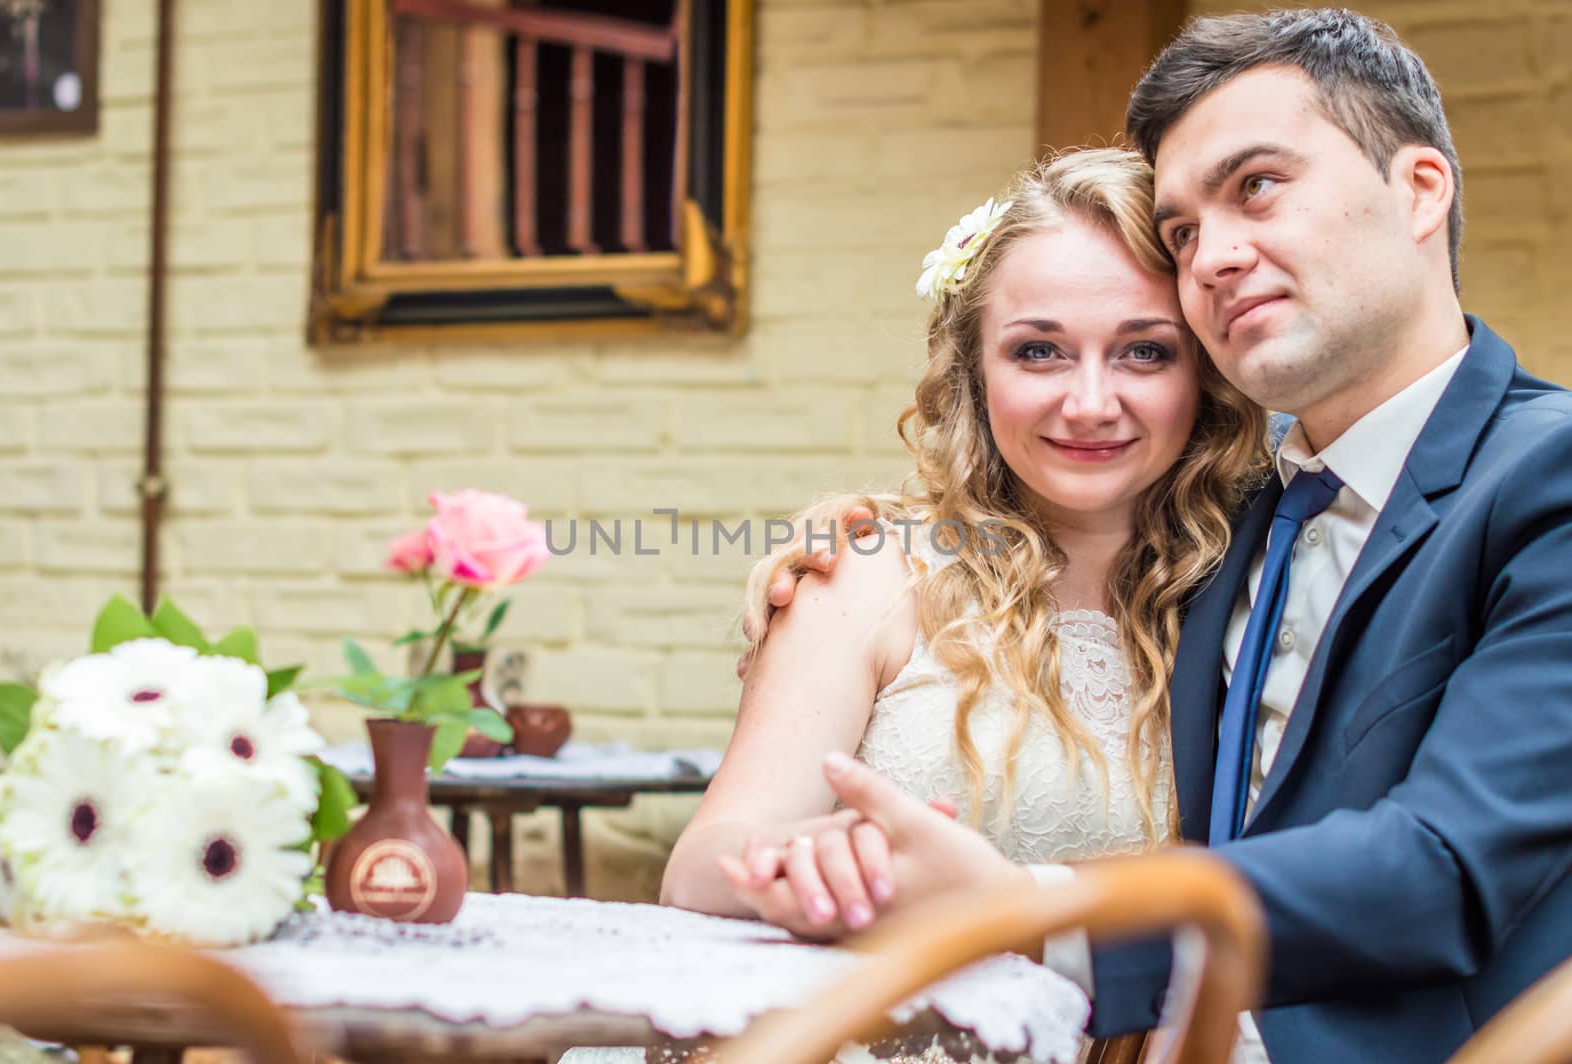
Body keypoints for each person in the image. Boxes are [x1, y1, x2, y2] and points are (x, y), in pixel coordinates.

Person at [728, 9, 1572, 1063]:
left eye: (1257, 184)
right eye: (1181, 231)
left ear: (1418, 190)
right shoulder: (1229, 518)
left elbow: (1446, 867)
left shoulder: (1546, 476)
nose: (1213, 254)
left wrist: (1026, 903)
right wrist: (868, 538)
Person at [660, 147, 1269, 949]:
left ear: (1206, 373)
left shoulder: (1259, 581)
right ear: (975, 374)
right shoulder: (871, 572)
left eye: (1144, 351)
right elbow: (698, 867)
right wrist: (808, 858)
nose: (1090, 403)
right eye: (1038, 350)